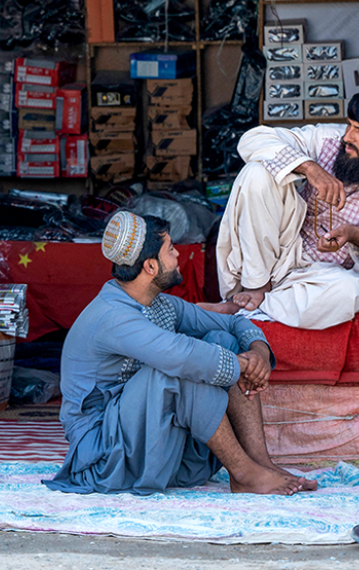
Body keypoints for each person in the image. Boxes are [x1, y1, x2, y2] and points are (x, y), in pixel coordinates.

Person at [44, 211, 315, 496]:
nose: (178, 255)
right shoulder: (112, 315)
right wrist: (242, 366)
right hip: (106, 460)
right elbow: (180, 356)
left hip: (158, 450)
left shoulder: (160, 304)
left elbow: (232, 323)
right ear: (150, 266)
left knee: (220, 341)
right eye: (171, 249)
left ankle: (260, 464)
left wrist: (257, 352)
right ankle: (243, 473)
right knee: (175, 370)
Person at [203, 82, 359, 330]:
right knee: (256, 173)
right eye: (349, 124)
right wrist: (309, 167)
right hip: (282, 253)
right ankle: (255, 287)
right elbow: (252, 139)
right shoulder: (327, 138)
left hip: (322, 276)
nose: (347, 137)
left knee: (350, 290)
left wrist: (354, 235)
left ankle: (258, 305)